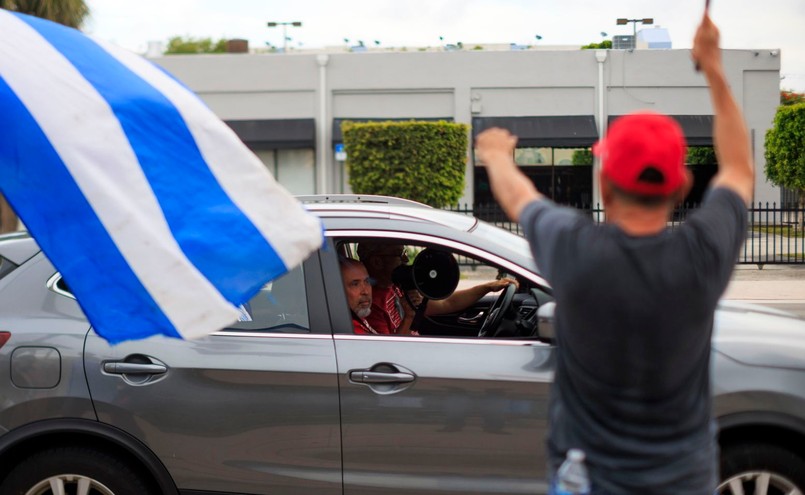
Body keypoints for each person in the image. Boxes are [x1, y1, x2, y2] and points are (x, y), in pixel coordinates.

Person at [475, 11, 753, 495]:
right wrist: (712, 65)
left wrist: (497, 154)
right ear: (683, 184)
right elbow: (739, 170)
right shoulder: (703, 254)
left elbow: (520, 198)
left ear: (603, 183)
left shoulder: (574, 249)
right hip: (684, 480)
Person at [357, 242, 517, 335]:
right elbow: (388, 354)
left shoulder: (397, 286)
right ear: (377, 262)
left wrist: (487, 287)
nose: (406, 259)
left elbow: (446, 304)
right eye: (399, 254)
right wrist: (409, 317)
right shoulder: (367, 303)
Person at [339, 256, 380, 335]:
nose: (365, 291)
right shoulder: (348, 330)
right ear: (338, 290)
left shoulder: (357, 317)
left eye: (367, 281)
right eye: (355, 284)